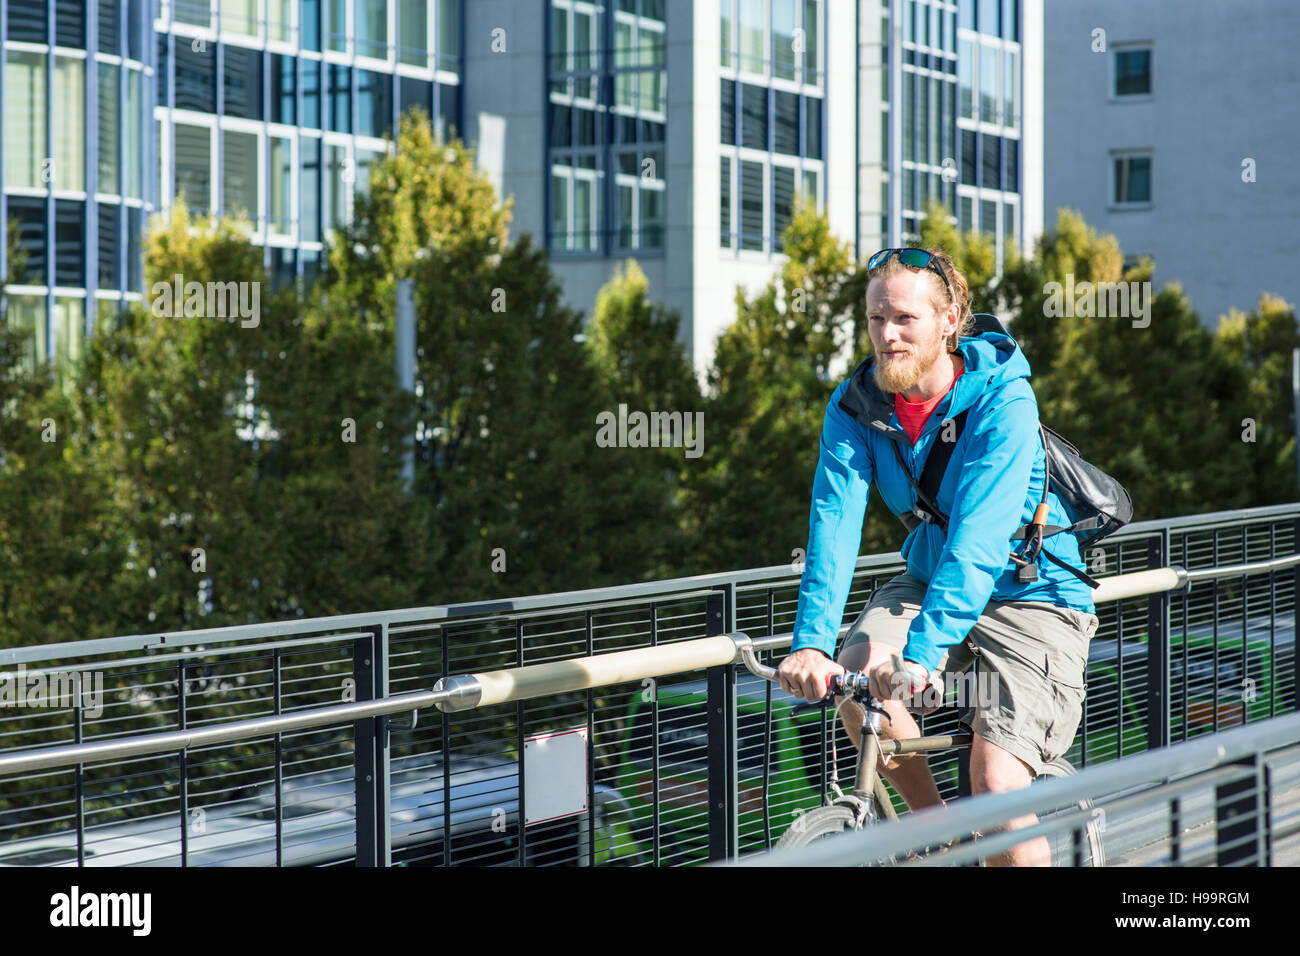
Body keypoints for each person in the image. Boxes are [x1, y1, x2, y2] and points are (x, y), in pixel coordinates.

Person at [776, 247, 1099, 866]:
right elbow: (833, 524)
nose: (886, 336)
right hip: (930, 581)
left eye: (905, 318)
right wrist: (812, 642)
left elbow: (977, 542)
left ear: (949, 321)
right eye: (875, 319)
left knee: (996, 784)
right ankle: (939, 834)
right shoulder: (856, 406)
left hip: (1032, 594)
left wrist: (922, 656)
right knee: (858, 678)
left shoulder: (1003, 401)